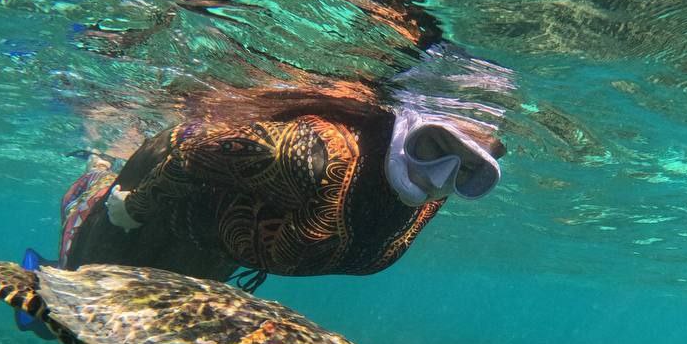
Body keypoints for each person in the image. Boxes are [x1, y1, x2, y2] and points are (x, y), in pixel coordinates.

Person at [52, 72, 504, 290]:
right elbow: (191, 152)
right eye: (433, 147)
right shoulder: (314, 156)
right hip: (168, 181)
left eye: (468, 170)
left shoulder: (433, 194)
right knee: (82, 297)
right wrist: (134, 207)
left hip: (213, 232)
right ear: (408, 126)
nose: (438, 177)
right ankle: (95, 174)